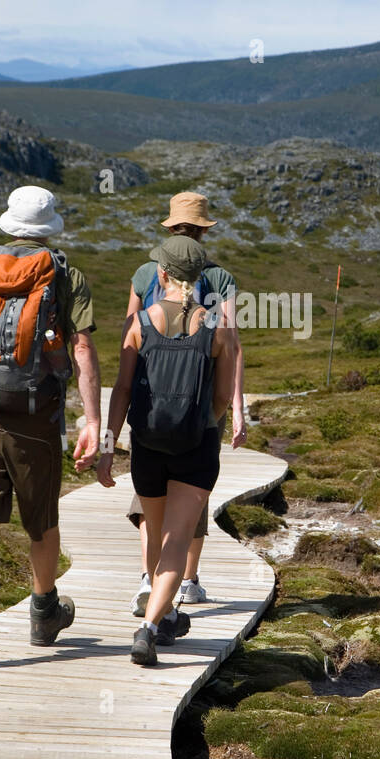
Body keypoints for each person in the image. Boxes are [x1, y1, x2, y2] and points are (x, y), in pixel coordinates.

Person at [0, 186, 101, 669]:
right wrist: (92, 420)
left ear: (9, 223)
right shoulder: (65, 273)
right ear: (49, 226)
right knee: (41, 520)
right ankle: (44, 614)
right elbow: (81, 351)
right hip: (38, 416)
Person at [96, 236, 235, 667]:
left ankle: (164, 612)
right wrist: (201, 425)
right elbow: (222, 397)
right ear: (201, 278)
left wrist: (107, 448)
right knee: (178, 543)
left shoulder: (139, 323)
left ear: (161, 275)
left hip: (147, 446)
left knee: (155, 537)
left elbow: (121, 390)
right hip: (197, 447)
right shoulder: (217, 329)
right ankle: (152, 626)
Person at [123, 191, 245, 617]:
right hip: (197, 415)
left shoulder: (144, 274)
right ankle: (186, 582)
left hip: (151, 416)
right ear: (203, 230)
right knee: (189, 503)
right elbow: (231, 344)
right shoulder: (220, 278)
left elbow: (129, 338)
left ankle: (147, 577)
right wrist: (231, 411)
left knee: (149, 504)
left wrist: (115, 427)